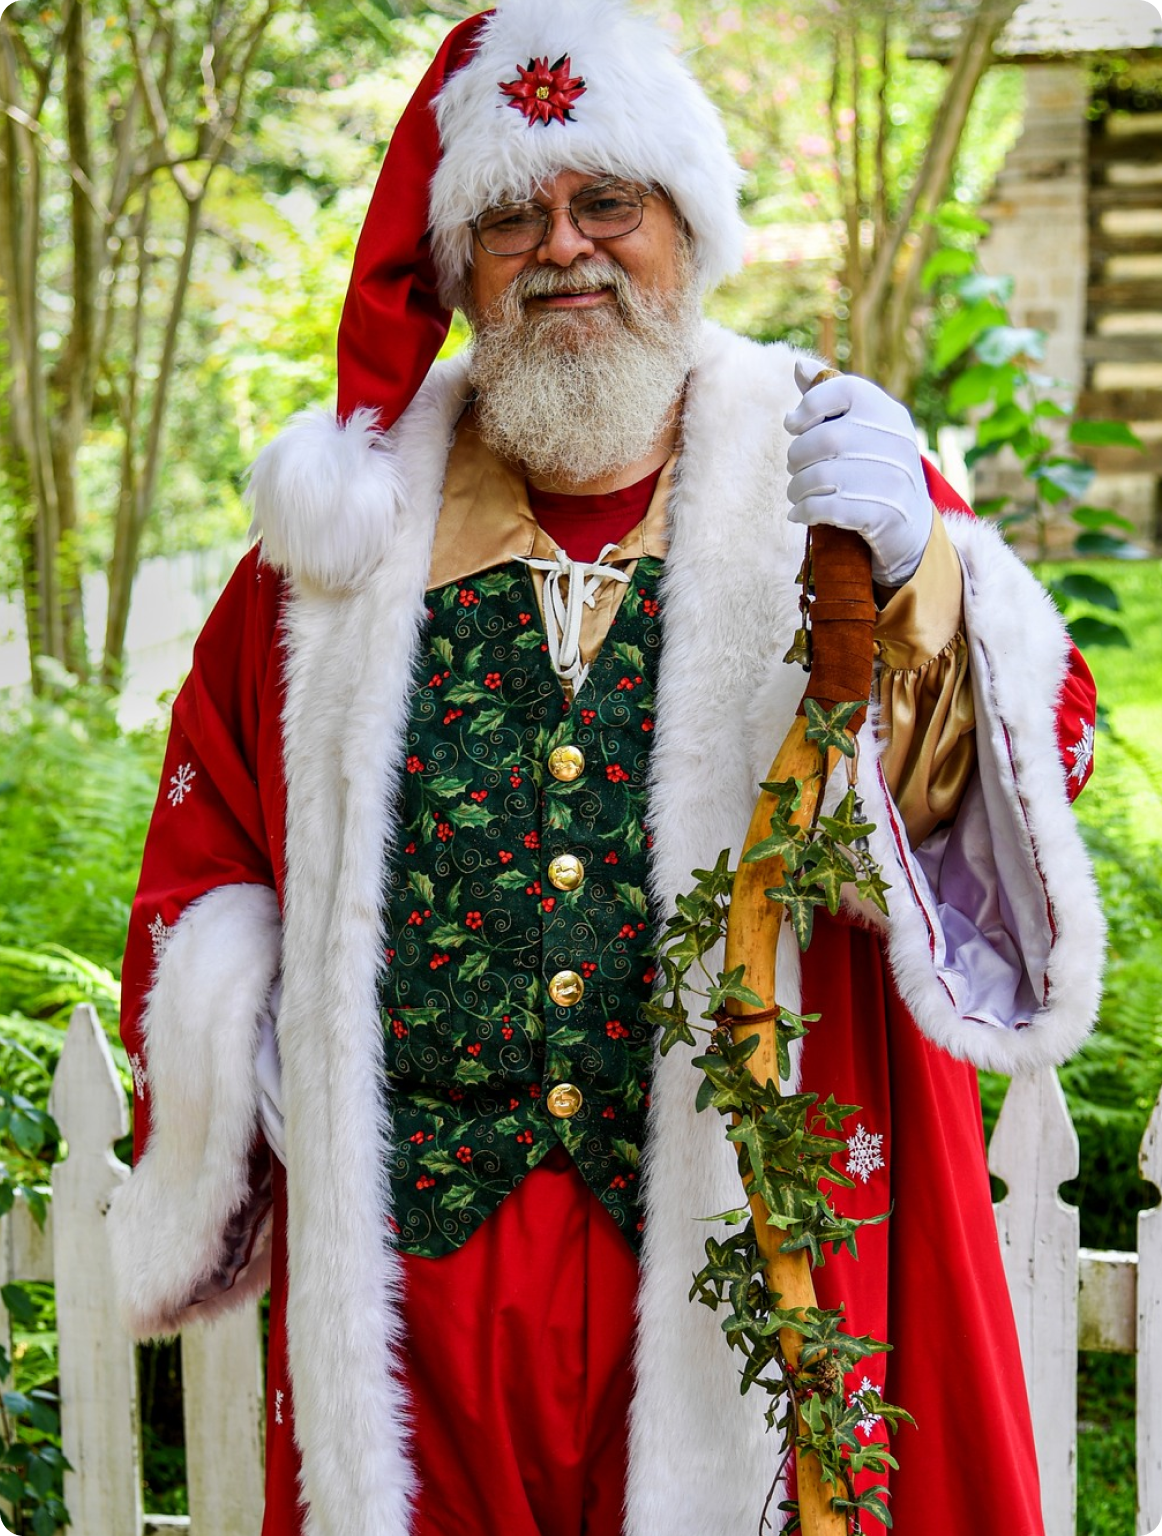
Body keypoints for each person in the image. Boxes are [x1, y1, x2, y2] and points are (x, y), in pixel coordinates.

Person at [108, 3, 1104, 1534]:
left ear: (684, 231)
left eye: (604, 204)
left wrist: (925, 588)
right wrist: (264, 1039)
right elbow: (205, 850)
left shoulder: (827, 484)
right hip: (421, 1311)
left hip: (742, 1247)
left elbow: (1013, 792)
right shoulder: (334, 561)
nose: (561, 247)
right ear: (460, 269)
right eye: (510, 215)